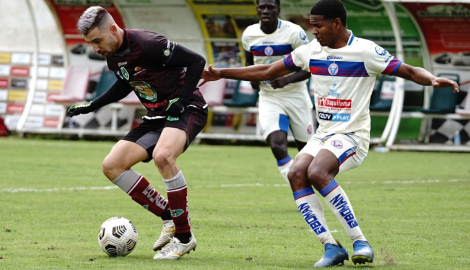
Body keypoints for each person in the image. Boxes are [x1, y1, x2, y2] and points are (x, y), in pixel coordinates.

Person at [200, 0, 459, 267]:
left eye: (318, 25)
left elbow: (408, 70)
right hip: (324, 135)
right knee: (296, 172)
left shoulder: (365, 51)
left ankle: (360, 241)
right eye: (311, 25)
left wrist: (431, 79)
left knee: (317, 172)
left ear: (337, 23)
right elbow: (267, 70)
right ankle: (330, 246)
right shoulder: (311, 51)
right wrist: (220, 72)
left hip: (353, 136)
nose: (313, 31)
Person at [69, 6, 208, 260]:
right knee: (112, 165)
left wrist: (182, 99)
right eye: (90, 43)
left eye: (97, 41)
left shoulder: (148, 43)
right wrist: (92, 104)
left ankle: (184, 237)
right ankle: (168, 217)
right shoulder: (112, 54)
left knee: (164, 156)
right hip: (156, 117)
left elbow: (196, 61)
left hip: (187, 109)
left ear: (113, 29)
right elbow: (125, 83)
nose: (95, 49)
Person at [242, 0, 314, 186]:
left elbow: (310, 67)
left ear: (278, 10)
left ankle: (310, 185)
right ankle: (300, 188)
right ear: (257, 9)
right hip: (269, 97)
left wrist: (286, 79)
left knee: (306, 152)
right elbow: (249, 66)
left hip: (296, 95)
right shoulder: (249, 34)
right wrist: (253, 80)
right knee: (276, 144)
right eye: (262, 7)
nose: (266, 11)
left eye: (270, 7)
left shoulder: (294, 32)